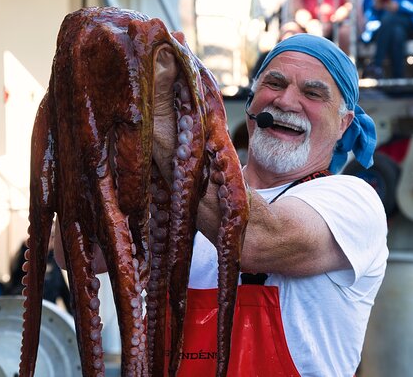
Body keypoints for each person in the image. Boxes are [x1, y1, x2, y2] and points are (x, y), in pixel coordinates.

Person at [150, 33, 388, 375]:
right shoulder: (177, 189)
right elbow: (81, 254)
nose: (287, 102)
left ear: (344, 123)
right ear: (252, 100)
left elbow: (253, 240)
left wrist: (160, 118)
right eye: (274, 83)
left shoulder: (353, 200)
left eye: (313, 93)